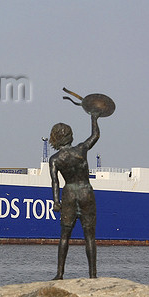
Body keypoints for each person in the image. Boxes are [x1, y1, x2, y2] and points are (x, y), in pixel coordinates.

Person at [49, 113, 100, 280]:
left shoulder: (55, 159)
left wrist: (56, 202)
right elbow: (95, 135)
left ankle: (59, 274)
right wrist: (94, 117)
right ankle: (92, 275)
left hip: (69, 194)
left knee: (64, 235)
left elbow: (55, 182)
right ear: (70, 136)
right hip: (86, 192)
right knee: (90, 236)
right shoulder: (81, 149)